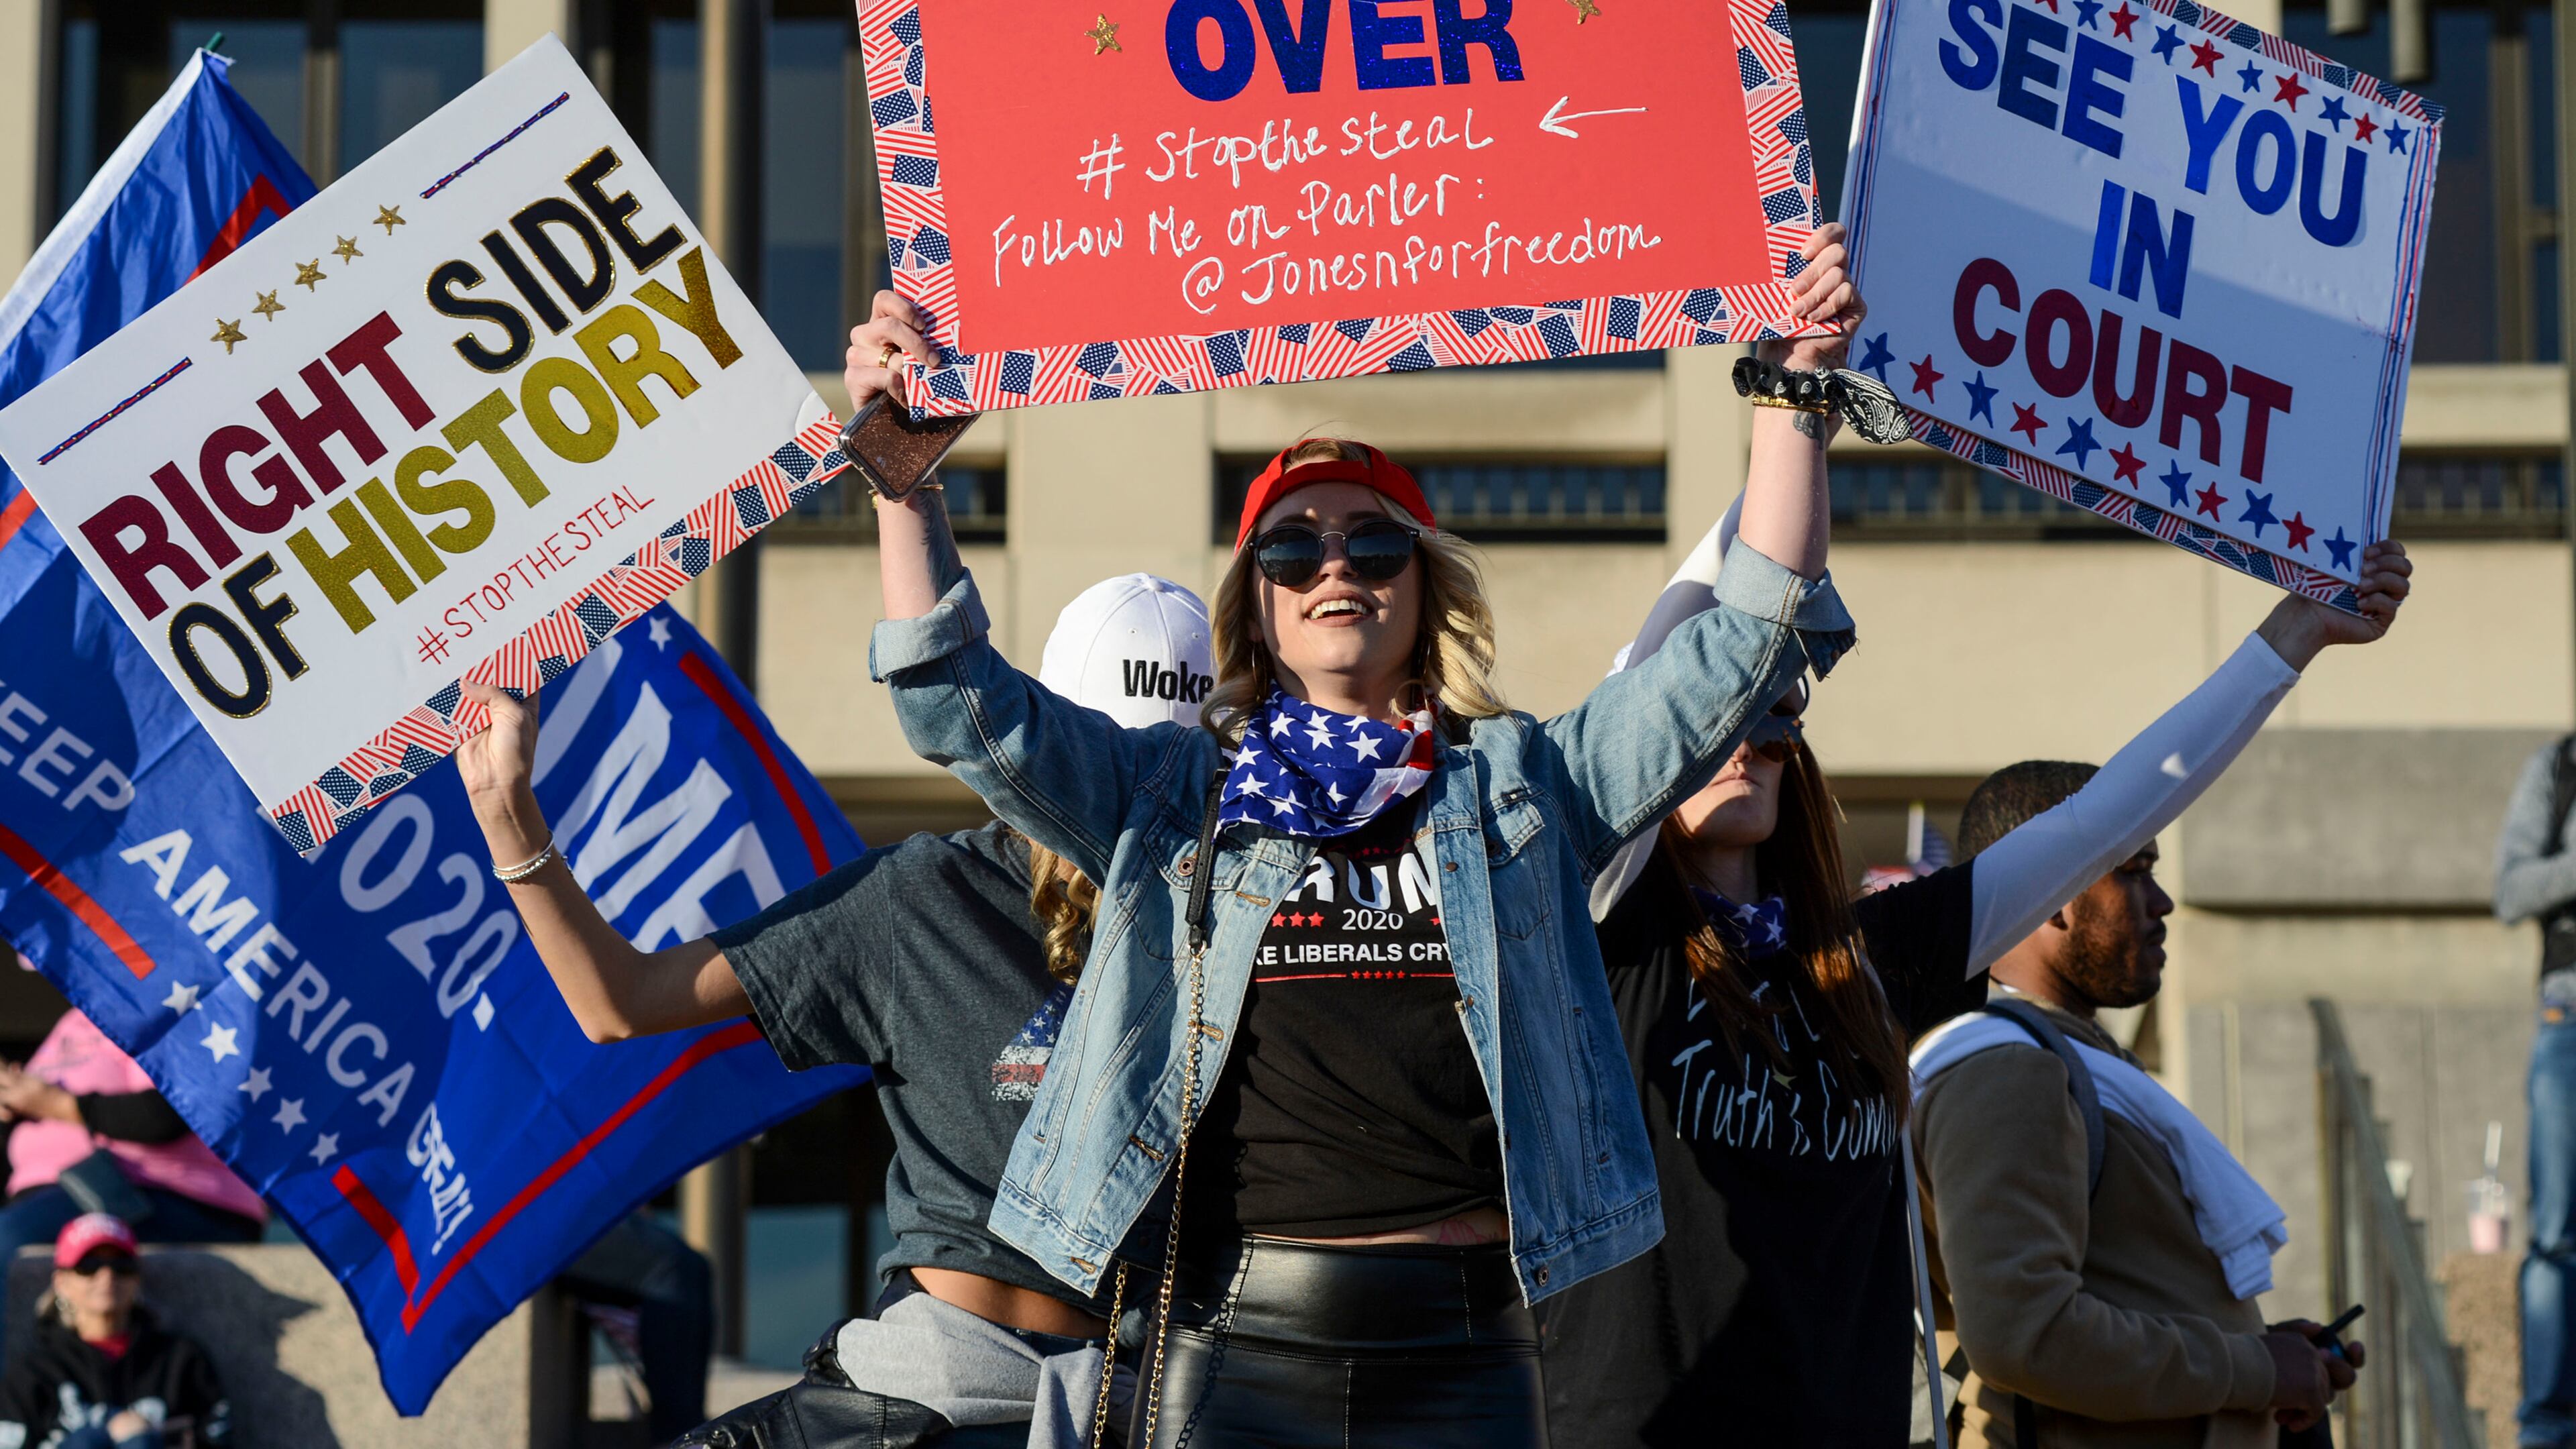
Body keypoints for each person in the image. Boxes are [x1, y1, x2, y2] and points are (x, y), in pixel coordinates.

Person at [855, 223, 1860, 1448]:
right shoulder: (1178, 790)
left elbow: (1745, 641)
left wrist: (1793, 393)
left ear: (1424, 586)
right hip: (1235, 1340)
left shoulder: (1524, 784)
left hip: (1470, 1344)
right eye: (1295, 546)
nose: (1337, 563)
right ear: (1259, 605)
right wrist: (904, 470)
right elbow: (956, 701)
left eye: (1374, 542)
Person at [1538, 526, 2412, 1448]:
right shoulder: (1604, 932)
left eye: (1773, 718)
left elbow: (2111, 814)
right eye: (1709, 714)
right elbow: (1644, 669)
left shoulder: (1870, 962)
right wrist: (1794, 420)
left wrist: (2296, 633)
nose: (1744, 743)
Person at [458, 573, 1217, 1448]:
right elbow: (618, 1003)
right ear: (1043, 737)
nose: (1132, 796)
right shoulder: (923, 896)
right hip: (911, 1397)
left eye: (1164, 769)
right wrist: (509, 818)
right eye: (1105, 752)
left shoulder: (1239, 930)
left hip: (1132, 1405)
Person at [1911, 727, 2406, 1448]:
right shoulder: (2003, 1069)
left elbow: (2120, 1289)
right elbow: (2026, 1335)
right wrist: (2253, 1369)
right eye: (2133, 869)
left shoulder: (2059, 1057)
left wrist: (2276, 1352)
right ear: (2047, 892)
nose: (2164, 900)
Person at [0, 1010, 262, 1365]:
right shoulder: (73, 1019)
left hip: (173, 1197)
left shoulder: (156, 1006)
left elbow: (167, 1114)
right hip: (58, 1199)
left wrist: (53, 1104)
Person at [2495, 729, 2576, 1448]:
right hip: (2569, 1017)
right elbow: (2512, 892)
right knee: (2556, 1235)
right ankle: (2548, 1428)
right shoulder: (2559, 765)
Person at [0, 1214, 231, 1449]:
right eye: (89, 1266)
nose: (107, 1277)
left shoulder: (182, 1361)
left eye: (122, 1266)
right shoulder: (33, 1373)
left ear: (137, 1277)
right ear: (61, 1282)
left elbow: (216, 1438)